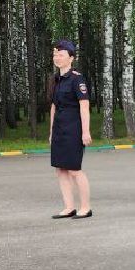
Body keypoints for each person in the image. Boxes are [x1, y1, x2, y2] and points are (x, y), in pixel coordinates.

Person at [48, 39, 93, 219]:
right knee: (60, 169)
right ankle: (69, 207)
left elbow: (84, 106)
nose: (57, 58)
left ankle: (86, 207)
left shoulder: (77, 79)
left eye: (61, 55)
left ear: (71, 58)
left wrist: (86, 131)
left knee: (74, 169)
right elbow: (53, 106)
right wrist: (51, 132)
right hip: (59, 129)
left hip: (73, 129)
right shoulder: (56, 79)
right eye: (54, 55)